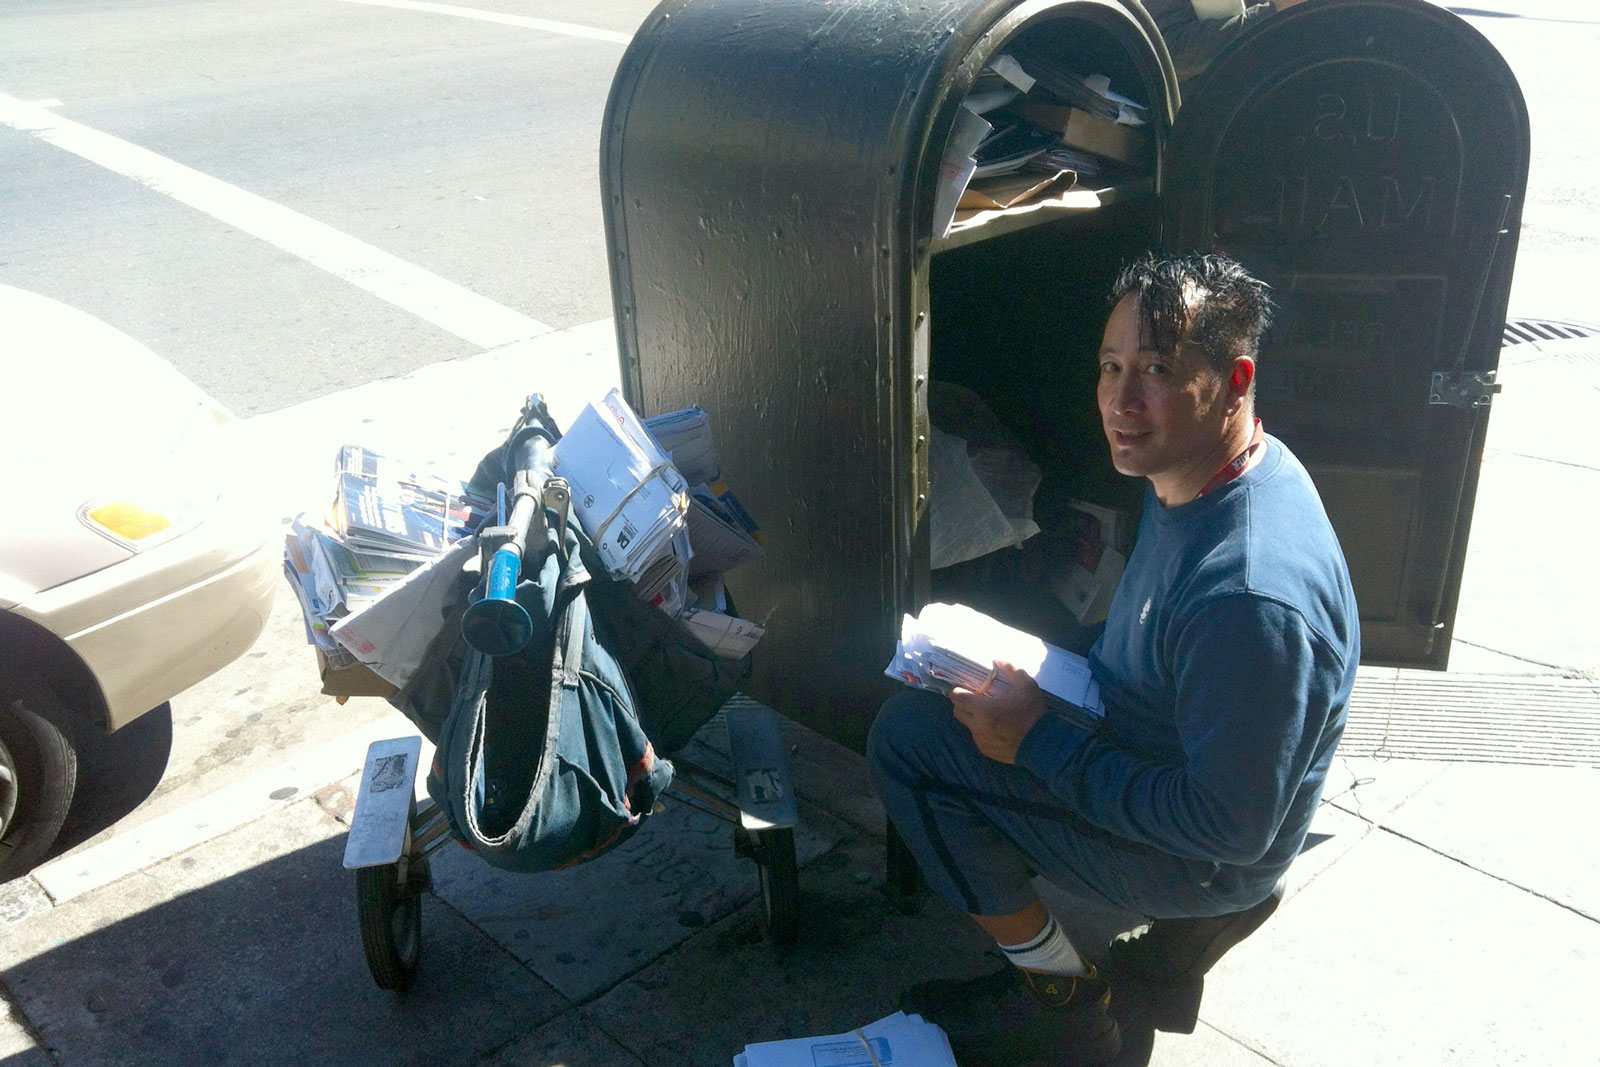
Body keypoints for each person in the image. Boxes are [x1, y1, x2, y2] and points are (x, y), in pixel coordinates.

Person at [868, 251, 1359, 1067]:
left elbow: (1229, 828)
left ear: (1235, 381)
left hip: (1203, 858)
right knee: (950, 692)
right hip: (1153, 731)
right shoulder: (1210, 470)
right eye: (1111, 367)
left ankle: (1064, 1001)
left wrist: (1036, 741)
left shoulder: (1246, 594)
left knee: (906, 745)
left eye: (1158, 370)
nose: (1122, 403)